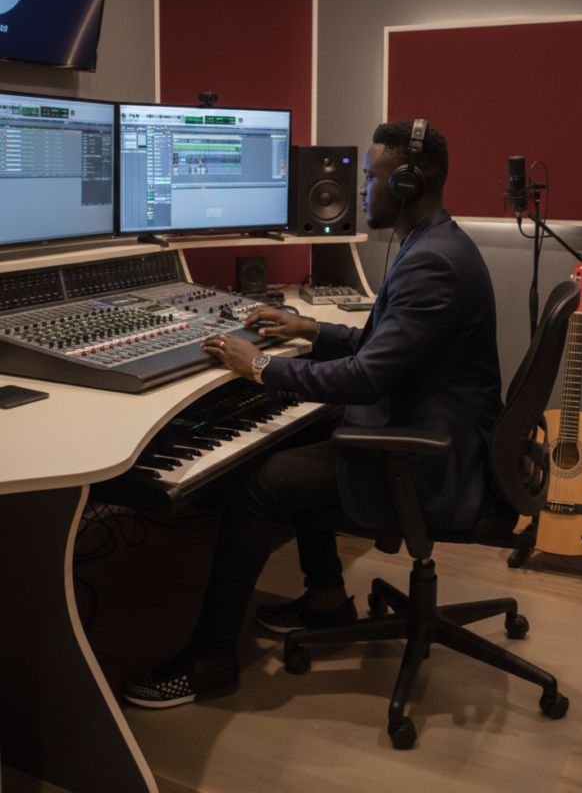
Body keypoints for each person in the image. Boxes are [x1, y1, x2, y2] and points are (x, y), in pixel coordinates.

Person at [123, 119, 505, 708]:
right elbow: (380, 347)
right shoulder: (436, 244)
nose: (362, 191)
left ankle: (209, 660)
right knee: (301, 440)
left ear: (404, 184)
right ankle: (326, 600)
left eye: (371, 178)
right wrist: (309, 328)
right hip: (437, 432)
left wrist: (260, 367)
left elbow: (365, 378)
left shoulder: (433, 262)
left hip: (434, 461)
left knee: (260, 485)